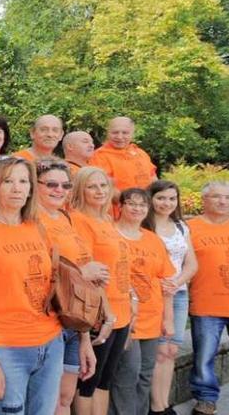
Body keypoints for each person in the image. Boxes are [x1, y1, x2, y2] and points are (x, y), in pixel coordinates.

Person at [0, 156, 64, 415]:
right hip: (8, 348)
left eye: (23, 181)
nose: (17, 188)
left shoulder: (37, 227)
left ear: (31, 188)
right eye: (8, 181)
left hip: (51, 342)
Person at [33, 159, 100, 415]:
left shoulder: (64, 217)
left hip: (73, 319)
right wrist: (84, 273)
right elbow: (37, 273)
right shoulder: (31, 221)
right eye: (51, 184)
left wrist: (84, 336)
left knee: (65, 397)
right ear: (35, 186)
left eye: (65, 185)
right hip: (48, 318)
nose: (59, 190)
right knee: (46, 399)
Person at [69, 167, 132, 415]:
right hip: (101, 311)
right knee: (88, 381)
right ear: (80, 190)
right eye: (92, 186)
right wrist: (106, 313)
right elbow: (89, 270)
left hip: (123, 309)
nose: (99, 191)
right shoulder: (78, 220)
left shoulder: (106, 219)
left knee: (105, 379)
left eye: (103, 186)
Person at [109, 188, 174, 415]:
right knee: (127, 374)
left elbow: (166, 284)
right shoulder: (110, 235)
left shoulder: (153, 239)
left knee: (146, 375)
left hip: (152, 319)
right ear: (121, 206)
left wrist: (169, 319)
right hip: (125, 319)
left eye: (142, 205)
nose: (137, 209)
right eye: (132, 203)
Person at [144, 180, 198, 415]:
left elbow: (192, 262)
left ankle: (164, 403)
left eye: (171, 198)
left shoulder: (181, 226)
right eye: (161, 198)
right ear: (151, 199)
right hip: (152, 295)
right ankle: (155, 407)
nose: (166, 203)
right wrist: (161, 284)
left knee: (170, 350)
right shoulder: (144, 226)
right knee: (157, 350)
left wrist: (176, 282)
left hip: (178, 293)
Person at [186, 181, 229, 415]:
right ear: (204, 200)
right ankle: (206, 399)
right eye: (217, 197)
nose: (223, 202)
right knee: (204, 356)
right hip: (206, 302)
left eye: (227, 197)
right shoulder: (190, 228)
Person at [89, 117, 156, 200]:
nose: (120, 137)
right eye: (115, 132)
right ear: (108, 133)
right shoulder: (99, 156)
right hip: (120, 207)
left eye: (125, 133)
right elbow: (103, 188)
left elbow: (154, 179)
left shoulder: (141, 153)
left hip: (145, 207)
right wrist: (132, 203)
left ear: (132, 134)